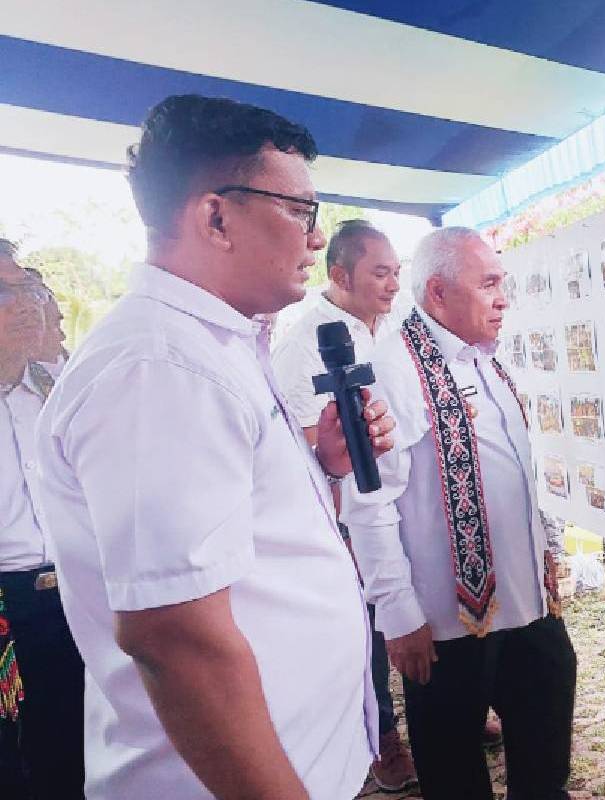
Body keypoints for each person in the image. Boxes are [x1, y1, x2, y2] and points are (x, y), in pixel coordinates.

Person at [31, 94, 398, 800]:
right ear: (215, 216)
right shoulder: (162, 366)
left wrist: (322, 465)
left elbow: (245, 544)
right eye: (301, 211)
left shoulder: (218, 344)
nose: (318, 240)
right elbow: (177, 643)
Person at [342, 227, 576, 800]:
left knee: (546, 732)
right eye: (489, 284)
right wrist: (398, 614)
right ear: (439, 294)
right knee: (454, 773)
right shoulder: (392, 368)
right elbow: (368, 500)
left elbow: (518, 472)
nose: (503, 298)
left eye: (504, 283)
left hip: (524, 604)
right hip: (446, 624)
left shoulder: (485, 358)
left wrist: (543, 554)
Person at [271, 219, 424, 793]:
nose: (391, 284)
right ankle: (381, 737)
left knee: (412, 608)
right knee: (367, 625)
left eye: (396, 272)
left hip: (409, 503)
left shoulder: (396, 329)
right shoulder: (303, 345)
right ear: (339, 275)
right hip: (344, 512)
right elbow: (314, 448)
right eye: (379, 273)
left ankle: (435, 705)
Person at [0, 243, 86, 800]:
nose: (32, 305)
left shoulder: (59, 388)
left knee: (77, 751)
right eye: (10, 292)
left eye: (31, 288)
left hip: (72, 594)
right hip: (6, 611)